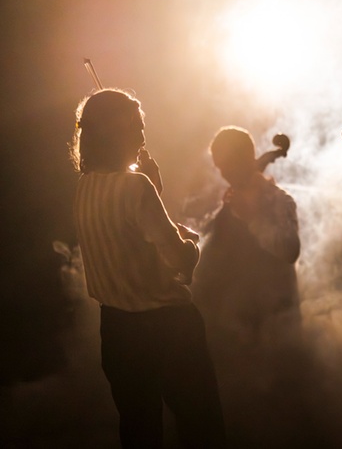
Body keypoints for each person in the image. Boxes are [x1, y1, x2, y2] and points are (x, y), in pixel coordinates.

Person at [70, 89, 225, 448]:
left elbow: (129, 242)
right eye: (136, 128)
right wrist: (192, 243)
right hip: (168, 330)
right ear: (114, 132)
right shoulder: (136, 186)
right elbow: (182, 267)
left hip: (117, 332)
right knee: (202, 427)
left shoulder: (84, 187)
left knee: (140, 432)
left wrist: (154, 191)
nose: (142, 137)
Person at [192, 126, 301, 345]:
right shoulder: (233, 201)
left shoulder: (278, 200)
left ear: (247, 158)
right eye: (220, 167)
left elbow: (290, 250)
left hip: (274, 320)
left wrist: (252, 219)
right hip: (235, 323)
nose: (224, 173)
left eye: (229, 164)